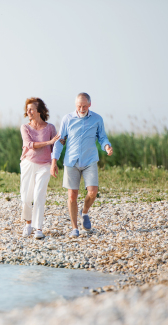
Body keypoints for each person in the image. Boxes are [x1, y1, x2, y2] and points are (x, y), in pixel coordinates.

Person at [50, 92, 113, 238]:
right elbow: (60, 141)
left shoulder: (97, 119)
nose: (82, 108)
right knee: (72, 195)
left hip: (89, 160)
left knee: (93, 192)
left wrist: (107, 146)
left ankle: (84, 212)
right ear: (75, 105)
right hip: (71, 161)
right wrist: (54, 161)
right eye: (79, 106)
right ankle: (74, 228)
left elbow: (102, 137)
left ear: (90, 105)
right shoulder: (67, 119)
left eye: (84, 106)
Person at [20, 97, 60, 239]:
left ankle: (38, 228)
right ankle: (28, 223)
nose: (28, 111)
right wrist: (48, 142)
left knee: (39, 196)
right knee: (26, 197)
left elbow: (56, 146)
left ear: (39, 111)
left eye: (31, 109)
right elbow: (29, 144)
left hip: (44, 165)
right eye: (28, 109)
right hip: (28, 163)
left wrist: (54, 163)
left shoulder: (50, 128)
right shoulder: (25, 127)